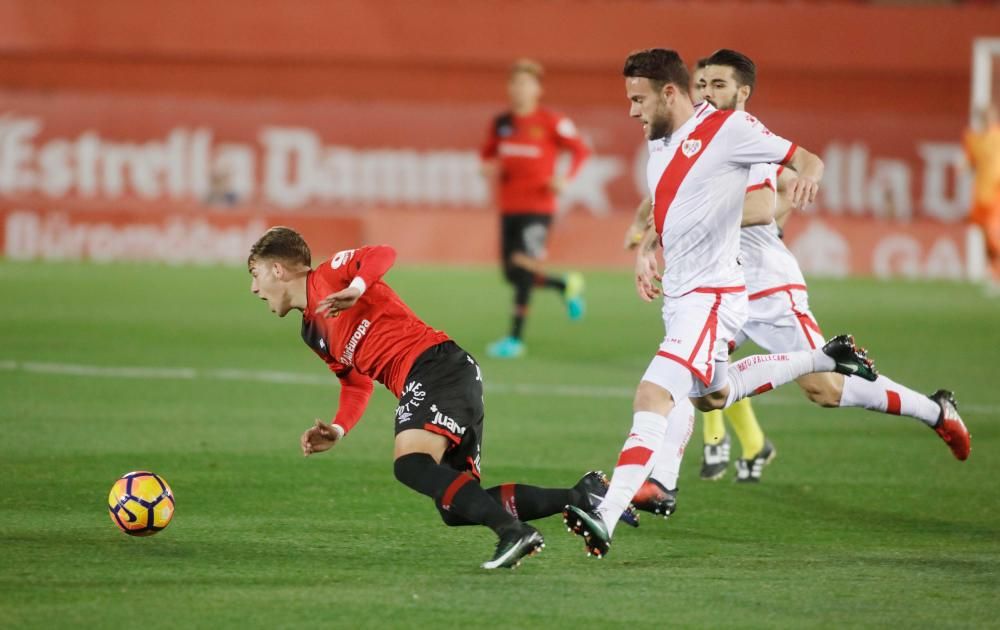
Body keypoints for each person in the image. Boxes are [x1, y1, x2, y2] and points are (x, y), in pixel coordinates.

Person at [625, 49, 973, 521]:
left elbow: (766, 204)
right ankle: (659, 482)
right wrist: (650, 232)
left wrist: (675, 224)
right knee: (682, 376)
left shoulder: (746, 136)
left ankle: (935, 410)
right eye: (703, 85)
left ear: (742, 93)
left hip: (765, 282)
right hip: (715, 285)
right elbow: (671, 192)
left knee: (825, 389)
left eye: (719, 86)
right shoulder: (689, 138)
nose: (708, 94)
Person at [563, 47, 884, 559]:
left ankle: (604, 516)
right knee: (713, 396)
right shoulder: (661, 144)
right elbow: (671, 210)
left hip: (711, 300)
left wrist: (807, 177)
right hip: (684, 299)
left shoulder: (729, 130)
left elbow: (807, 159)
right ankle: (825, 356)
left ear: (671, 92)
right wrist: (647, 250)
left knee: (652, 394)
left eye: (638, 98)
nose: (631, 111)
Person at [246, 226, 617, 569]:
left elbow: (382, 253)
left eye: (255, 274)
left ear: (278, 270)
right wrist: (340, 428)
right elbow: (355, 384)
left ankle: (513, 532)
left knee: (411, 464)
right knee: (454, 508)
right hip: (441, 377)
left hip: (436, 367)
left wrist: (357, 287)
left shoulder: (330, 276)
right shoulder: (312, 331)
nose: (254, 288)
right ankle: (580, 496)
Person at [480, 58, 592, 359]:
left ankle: (515, 339)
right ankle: (565, 284)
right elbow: (487, 155)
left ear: (538, 89)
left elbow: (581, 150)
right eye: (515, 83)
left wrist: (564, 179)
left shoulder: (551, 121)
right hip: (509, 206)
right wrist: (488, 168)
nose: (520, 89)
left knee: (524, 266)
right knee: (512, 272)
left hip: (539, 206)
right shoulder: (502, 123)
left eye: (526, 83)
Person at [963, 104, 1000, 294]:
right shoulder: (973, 139)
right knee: (986, 238)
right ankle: (993, 274)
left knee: (995, 236)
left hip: (997, 194)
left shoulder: (997, 136)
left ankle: (998, 276)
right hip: (981, 195)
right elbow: (969, 163)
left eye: (987, 116)